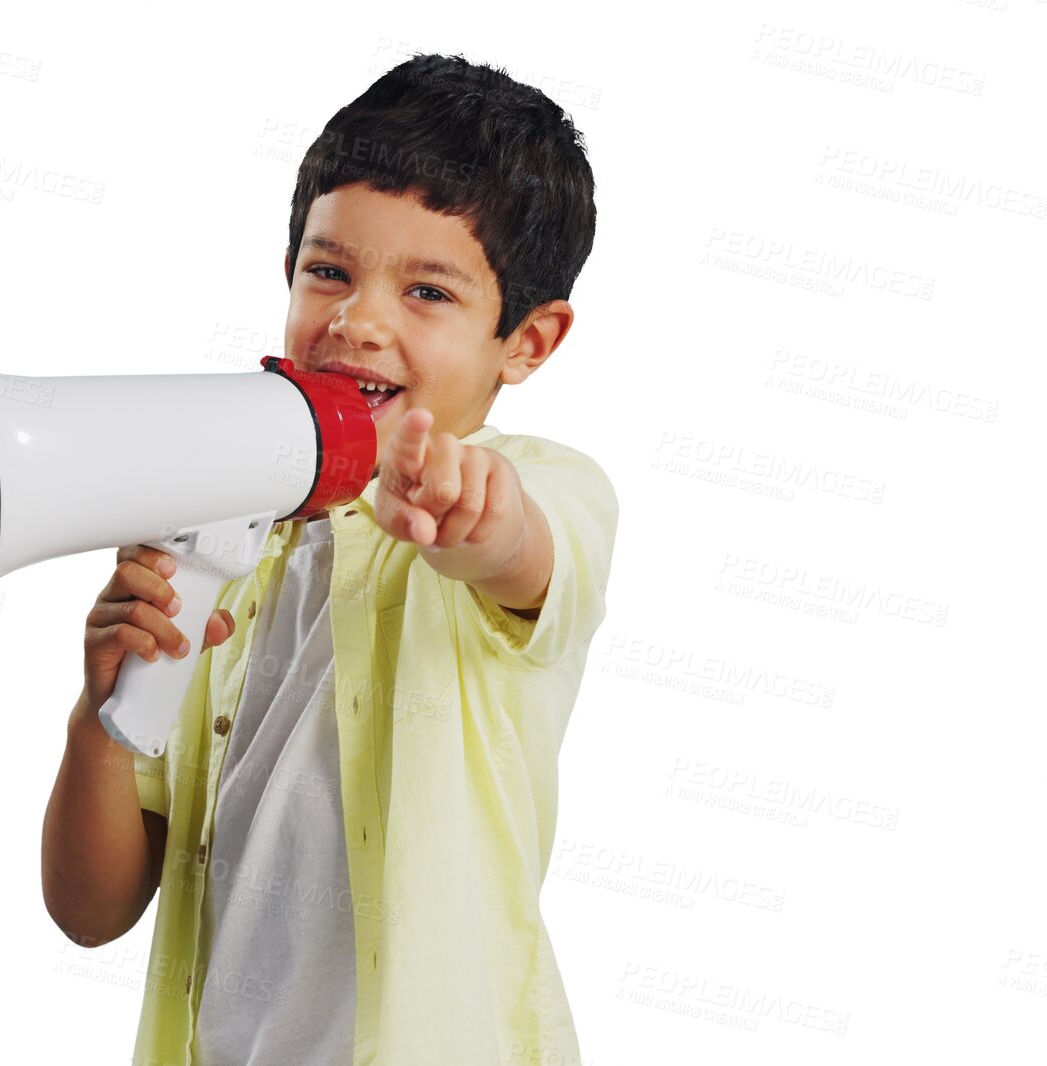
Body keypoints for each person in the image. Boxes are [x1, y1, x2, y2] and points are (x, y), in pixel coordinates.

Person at [42, 52, 618, 1066]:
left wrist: (470, 514)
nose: (357, 323)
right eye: (329, 272)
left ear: (527, 342)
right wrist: (105, 721)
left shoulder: (541, 487)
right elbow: (90, 911)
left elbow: (519, 548)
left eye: (430, 291)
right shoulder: (220, 530)